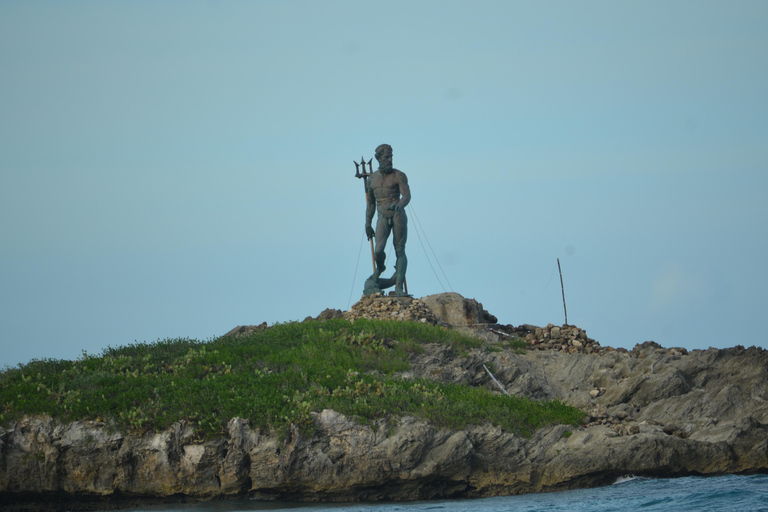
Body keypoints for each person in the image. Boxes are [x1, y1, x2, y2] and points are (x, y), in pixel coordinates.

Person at [365, 143, 411, 296]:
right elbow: (371, 204)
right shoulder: (372, 180)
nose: (390, 159)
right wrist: (367, 223)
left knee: (400, 251)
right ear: (378, 158)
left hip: (397, 215)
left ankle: (398, 287)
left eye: (391, 156)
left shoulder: (399, 175)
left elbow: (406, 195)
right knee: (378, 250)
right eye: (386, 157)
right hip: (382, 216)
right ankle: (380, 268)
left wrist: (400, 205)